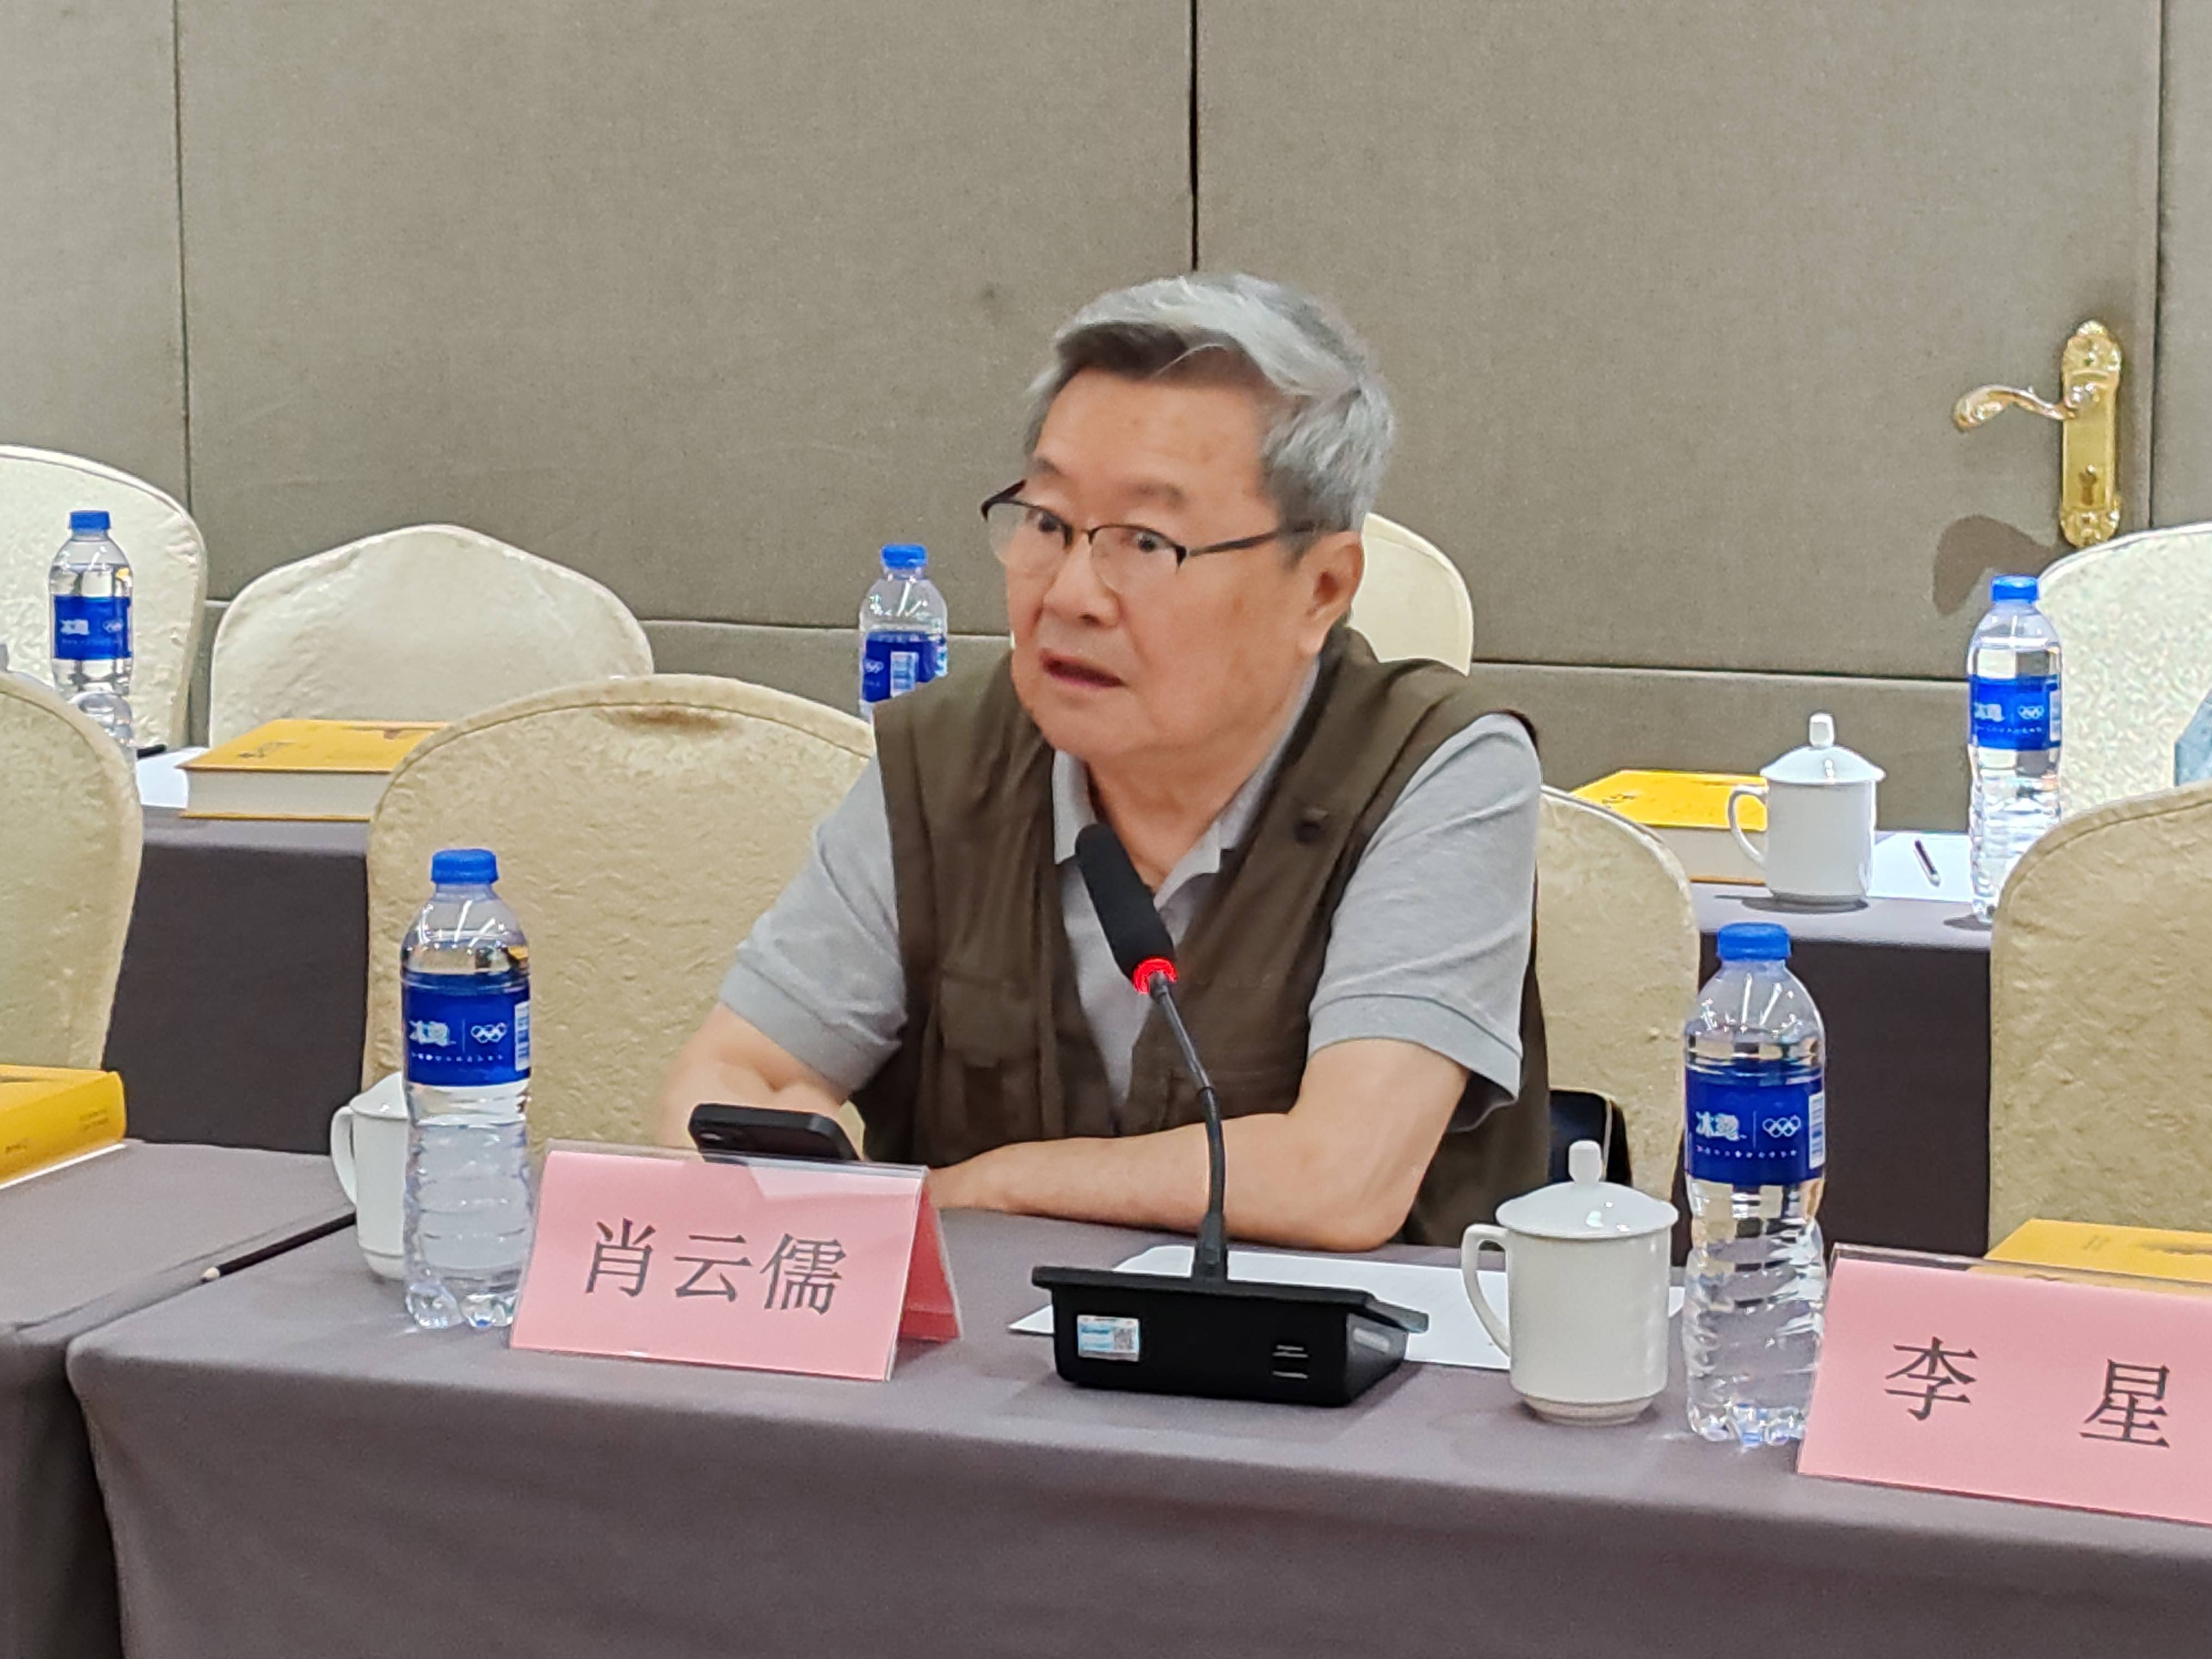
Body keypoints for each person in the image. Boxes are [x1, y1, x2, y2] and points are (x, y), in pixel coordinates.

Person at [659, 272, 1546, 1249]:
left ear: (1322, 589)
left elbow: (1339, 1178)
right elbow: (736, 1078)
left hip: (1341, 1348)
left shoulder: (1437, 767)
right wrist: (765, 1160)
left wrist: (984, 1188)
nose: (1070, 593)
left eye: (1147, 542)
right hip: (981, 1350)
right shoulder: (944, 759)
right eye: (1047, 523)